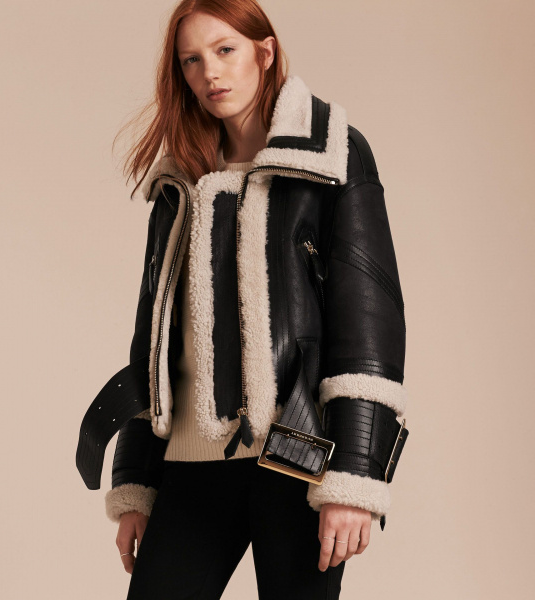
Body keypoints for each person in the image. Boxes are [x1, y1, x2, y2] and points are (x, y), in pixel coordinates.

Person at [75, 1, 409, 598]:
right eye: (191, 60)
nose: (209, 73)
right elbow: (155, 336)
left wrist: (354, 478)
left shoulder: (331, 155)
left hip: (298, 457)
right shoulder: (181, 179)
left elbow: (369, 322)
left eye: (224, 50)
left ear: (265, 51)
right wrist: (136, 484)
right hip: (190, 464)